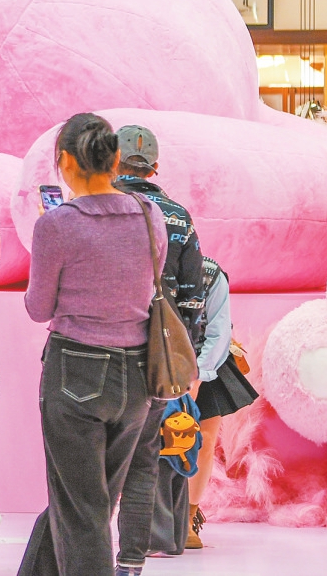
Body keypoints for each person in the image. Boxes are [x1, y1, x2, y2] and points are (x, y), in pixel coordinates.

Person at [17, 113, 166, 576]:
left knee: (81, 509)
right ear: (115, 158)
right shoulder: (150, 214)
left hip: (77, 370)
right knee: (91, 502)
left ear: (64, 161)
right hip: (137, 375)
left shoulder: (57, 224)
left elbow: (38, 308)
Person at [110, 125, 205, 573]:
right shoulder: (180, 217)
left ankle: (89, 551)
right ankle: (134, 556)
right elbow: (193, 295)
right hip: (158, 356)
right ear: (155, 167)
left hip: (104, 346)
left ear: (114, 161)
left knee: (96, 454)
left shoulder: (101, 208)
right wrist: (188, 357)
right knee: (146, 454)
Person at [184, 257, 259, 550]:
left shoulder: (210, 272)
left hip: (208, 359)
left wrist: (199, 377)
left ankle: (189, 516)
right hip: (157, 359)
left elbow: (219, 331)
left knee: (202, 440)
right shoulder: (145, 263)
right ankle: (154, 516)